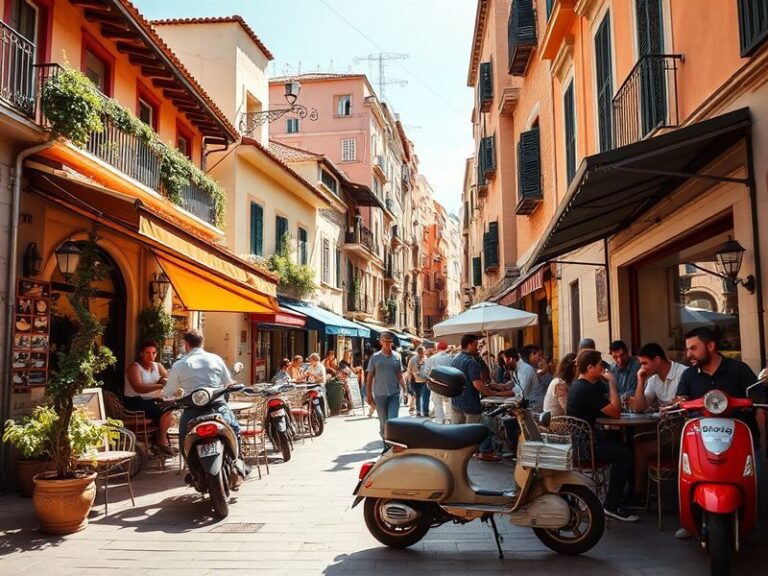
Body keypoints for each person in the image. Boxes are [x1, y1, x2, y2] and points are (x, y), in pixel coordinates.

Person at [673, 326, 764, 540]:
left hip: (739, 440)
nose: (689, 355)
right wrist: (679, 404)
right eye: (687, 349)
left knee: (757, 479)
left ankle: (752, 518)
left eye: (693, 348)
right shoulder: (688, 375)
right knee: (685, 473)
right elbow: (681, 400)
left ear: (711, 346)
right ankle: (688, 519)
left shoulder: (739, 369)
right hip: (702, 442)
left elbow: (759, 396)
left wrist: (759, 410)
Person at [566, 349, 639, 522]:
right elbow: (615, 412)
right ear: (590, 367)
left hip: (581, 442)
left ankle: (623, 497)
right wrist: (612, 382)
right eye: (600, 365)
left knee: (618, 440)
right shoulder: (586, 389)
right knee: (625, 455)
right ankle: (612, 505)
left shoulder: (581, 385)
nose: (603, 368)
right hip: (585, 448)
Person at [162, 329, 241, 453]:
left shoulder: (179, 364)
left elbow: (168, 394)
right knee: (235, 430)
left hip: (192, 412)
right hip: (217, 408)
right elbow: (228, 383)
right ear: (202, 343)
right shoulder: (216, 359)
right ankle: (238, 462)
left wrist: (170, 399)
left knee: (184, 440)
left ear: (186, 345)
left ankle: (190, 467)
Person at [124, 339, 174, 456]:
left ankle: (158, 441)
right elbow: (138, 388)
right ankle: (161, 442)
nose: (151, 356)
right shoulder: (134, 367)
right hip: (135, 401)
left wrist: (164, 380)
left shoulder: (158, 366)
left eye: (153, 353)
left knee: (170, 406)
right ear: (141, 354)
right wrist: (160, 385)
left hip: (152, 400)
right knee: (166, 411)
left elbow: (168, 381)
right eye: (147, 353)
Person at [451, 335, 514, 425]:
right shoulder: (471, 361)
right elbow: (477, 384)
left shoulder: (455, 359)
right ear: (470, 344)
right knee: (471, 434)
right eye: (476, 344)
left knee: (457, 433)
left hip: (456, 402)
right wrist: (491, 393)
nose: (477, 348)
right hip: (470, 405)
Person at [366, 332, 406, 450]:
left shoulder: (397, 356)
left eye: (389, 341)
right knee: (383, 422)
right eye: (385, 341)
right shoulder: (375, 357)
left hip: (394, 393)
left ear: (392, 342)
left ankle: (392, 445)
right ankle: (386, 446)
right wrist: (369, 394)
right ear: (381, 342)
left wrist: (405, 388)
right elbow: (370, 377)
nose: (387, 344)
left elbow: (399, 374)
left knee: (393, 420)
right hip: (380, 394)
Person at [630, 343, 686, 412]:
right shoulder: (653, 379)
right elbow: (639, 408)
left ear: (657, 359)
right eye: (641, 364)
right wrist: (640, 380)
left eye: (645, 363)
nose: (642, 368)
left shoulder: (683, 373)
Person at [425, 340, 453, 423]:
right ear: (446, 348)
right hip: (449, 384)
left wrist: (430, 378)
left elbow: (426, 372)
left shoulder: (431, 359)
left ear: (437, 349)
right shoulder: (450, 358)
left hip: (435, 384)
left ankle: (440, 421)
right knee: (449, 402)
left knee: (438, 404)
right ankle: (449, 418)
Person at [543, 353, 577, 418]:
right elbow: (566, 408)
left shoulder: (563, 382)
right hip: (556, 423)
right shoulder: (559, 383)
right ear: (573, 368)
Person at [516, 346, 543, 412]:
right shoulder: (527, 369)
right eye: (539, 355)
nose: (540, 358)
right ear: (531, 355)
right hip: (533, 406)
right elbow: (522, 392)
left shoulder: (528, 368)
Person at [407, 346, 429, 417]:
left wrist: (410, 378)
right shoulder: (427, 359)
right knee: (423, 396)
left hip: (417, 381)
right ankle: (424, 411)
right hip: (423, 381)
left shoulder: (412, 359)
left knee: (418, 396)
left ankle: (419, 411)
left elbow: (409, 370)